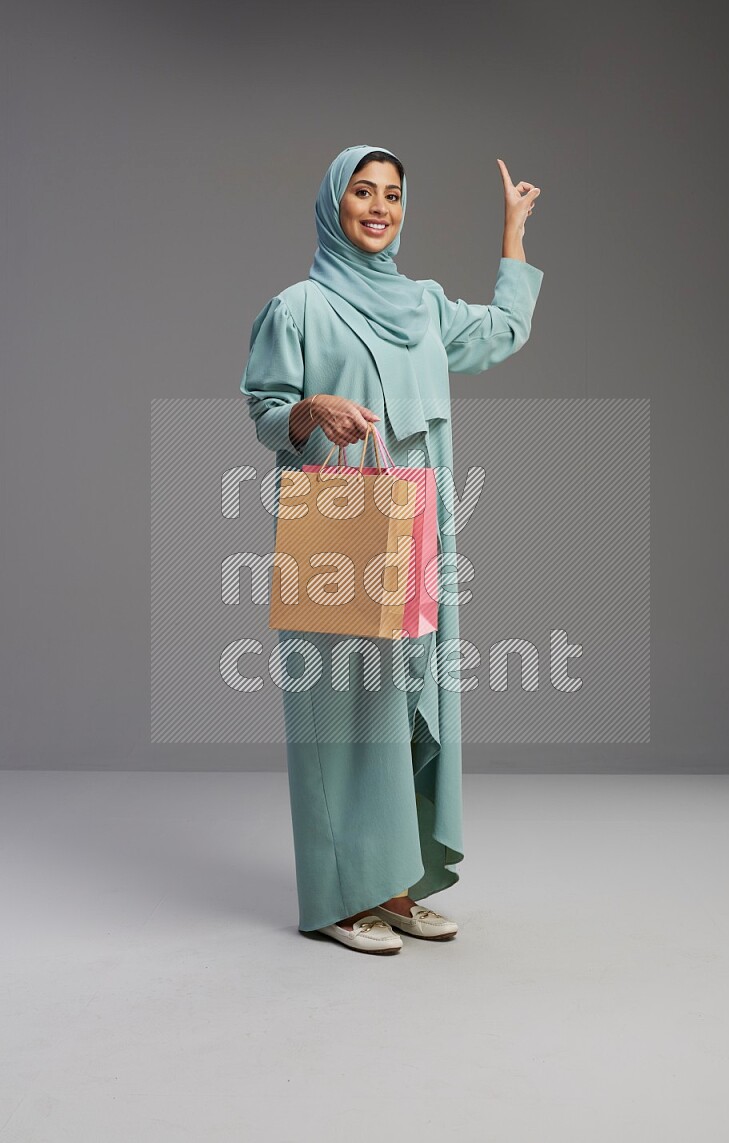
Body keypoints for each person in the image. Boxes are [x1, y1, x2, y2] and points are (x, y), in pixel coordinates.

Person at [239, 144, 543, 955]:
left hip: (419, 530)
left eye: (394, 196)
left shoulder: (424, 306)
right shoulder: (297, 307)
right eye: (363, 192)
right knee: (339, 711)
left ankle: (397, 886)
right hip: (341, 528)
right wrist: (311, 410)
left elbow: (507, 329)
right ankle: (340, 898)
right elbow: (267, 414)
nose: (379, 207)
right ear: (334, 203)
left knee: (407, 697)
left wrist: (512, 232)